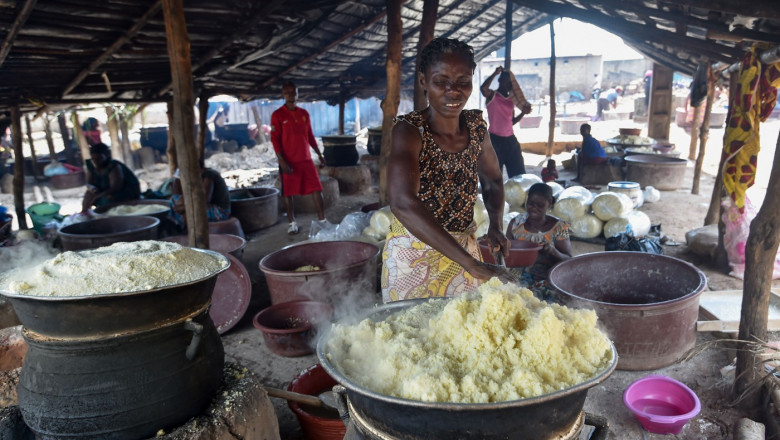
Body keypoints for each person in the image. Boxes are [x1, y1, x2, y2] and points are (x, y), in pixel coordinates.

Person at [383, 37, 515, 303]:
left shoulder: (477, 126)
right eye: (441, 81)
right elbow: (402, 202)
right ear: (423, 82)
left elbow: (492, 179)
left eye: (463, 81)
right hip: (413, 253)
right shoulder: (410, 130)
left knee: (463, 335)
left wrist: (496, 225)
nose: (453, 91)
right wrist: (471, 263)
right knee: (413, 336)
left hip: (464, 250)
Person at [271, 80, 327, 235]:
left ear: (298, 94)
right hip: (288, 161)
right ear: (283, 94)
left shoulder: (304, 114)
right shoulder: (278, 115)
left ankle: (322, 220)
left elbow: (309, 136)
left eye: (293, 91)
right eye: (287, 91)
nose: (291, 94)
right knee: (288, 193)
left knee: (316, 188)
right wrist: (282, 161)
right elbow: (274, 139)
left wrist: (319, 154)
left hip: (306, 159)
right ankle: (292, 223)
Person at [506, 183, 572, 302]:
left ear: (549, 204)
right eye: (530, 203)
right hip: (518, 279)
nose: (534, 208)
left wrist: (553, 251)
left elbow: (569, 261)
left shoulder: (559, 228)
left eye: (540, 205)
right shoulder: (516, 224)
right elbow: (505, 252)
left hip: (547, 280)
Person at [480, 66, 533, 178]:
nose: (508, 85)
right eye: (505, 81)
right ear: (499, 81)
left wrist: (523, 112)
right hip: (495, 141)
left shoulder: (510, 100)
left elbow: (511, 121)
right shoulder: (493, 96)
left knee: (518, 176)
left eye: (509, 83)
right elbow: (483, 88)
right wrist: (495, 73)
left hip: (511, 141)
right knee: (494, 177)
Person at [82, 142, 140, 211]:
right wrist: (91, 188)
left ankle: (106, 215)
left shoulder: (114, 166)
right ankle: (84, 213)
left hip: (124, 192)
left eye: (99, 158)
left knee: (108, 198)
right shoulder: (92, 166)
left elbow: (115, 188)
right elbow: (89, 183)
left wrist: (97, 197)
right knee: (88, 194)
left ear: (107, 155)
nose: (96, 161)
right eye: (94, 159)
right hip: (103, 192)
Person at [170, 161, 231, 228]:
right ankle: (178, 225)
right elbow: (175, 194)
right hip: (204, 206)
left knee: (188, 212)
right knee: (173, 201)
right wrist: (178, 173)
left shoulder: (209, 175)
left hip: (220, 211)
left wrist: (185, 207)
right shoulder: (196, 176)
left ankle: (185, 229)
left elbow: (203, 201)